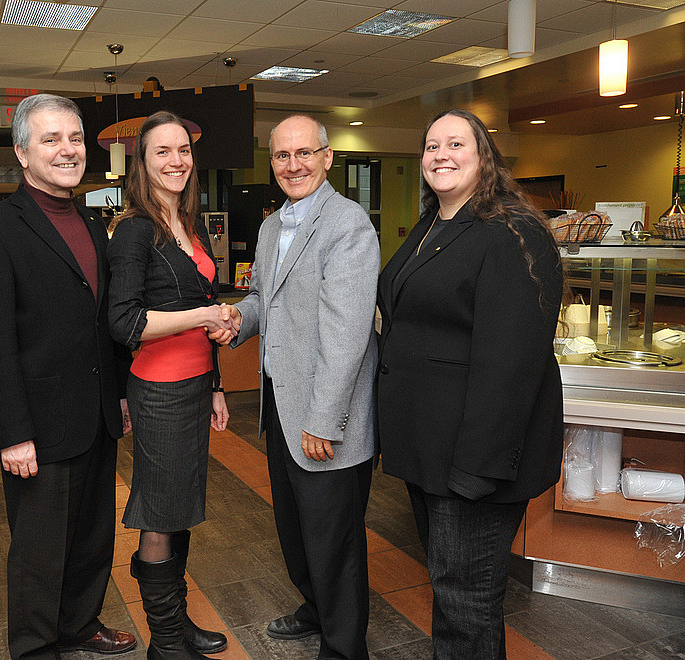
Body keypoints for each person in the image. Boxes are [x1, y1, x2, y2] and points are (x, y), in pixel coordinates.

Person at [376, 109, 564, 659]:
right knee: (454, 593)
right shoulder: (435, 223)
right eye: (431, 145)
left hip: (474, 458)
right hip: (429, 448)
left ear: (485, 156)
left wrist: (476, 466)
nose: (441, 155)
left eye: (456, 144)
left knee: (466, 603)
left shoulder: (511, 232)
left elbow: (511, 365)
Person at [0, 93, 136, 660]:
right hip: (37, 425)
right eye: (51, 139)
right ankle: (36, 647)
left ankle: (79, 626)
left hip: (96, 414)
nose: (68, 151)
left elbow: (101, 323)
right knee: (39, 551)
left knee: (92, 539)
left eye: (75, 139)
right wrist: (12, 432)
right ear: (22, 151)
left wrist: (121, 395)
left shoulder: (90, 220)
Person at [221, 114, 379, 660]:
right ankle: (316, 608)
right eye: (283, 156)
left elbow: (346, 334)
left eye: (305, 154)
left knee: (334, 545)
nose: (294, 165)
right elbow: (267, 298)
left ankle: (343, 646)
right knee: (297, 534)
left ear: (327, 157)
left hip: (322, 419)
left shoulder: (349, 225)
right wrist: (237, 319)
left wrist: (323, 418)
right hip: (281, 409)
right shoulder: (271, 227)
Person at [107, 110, 236, 660]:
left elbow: (200, 306)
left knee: (180, 510)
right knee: (160, 512)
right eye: (163, 151)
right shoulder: (135, 228)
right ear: (144, 161)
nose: (176, 160)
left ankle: (177, 624)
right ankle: (164, 641)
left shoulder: (191, 222)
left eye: (183, 150)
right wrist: (203, 318)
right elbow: (126, 321)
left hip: (191, 386)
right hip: (158, 392)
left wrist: (215, 384)